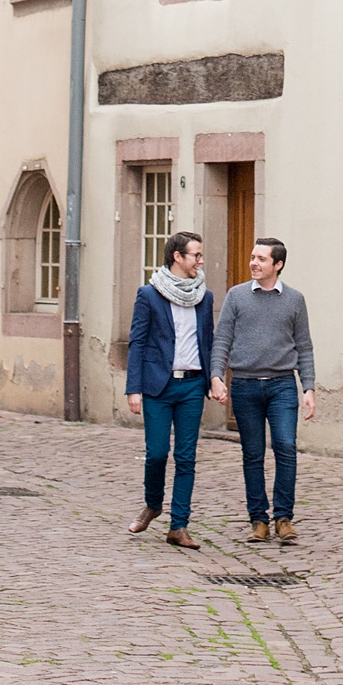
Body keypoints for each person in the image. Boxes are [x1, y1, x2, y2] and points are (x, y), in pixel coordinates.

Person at [208, 237, 314, 544]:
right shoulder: (237, 296)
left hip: (282, 385)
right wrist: (216, 376)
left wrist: (309, 387)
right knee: (252, 454)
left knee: (286, 447)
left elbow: (304, 346)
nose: (254, 262)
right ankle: (259, 520)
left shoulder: (294, 300)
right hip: (245, 385)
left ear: (277, 265)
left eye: (261, 259)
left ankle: (284, 518)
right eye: (253, 257)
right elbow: (222, 339)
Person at [126, 230, 214, 550]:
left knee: (186, 457)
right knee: (157, 453)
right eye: (196, 255)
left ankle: (179, 526)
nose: (201, 261)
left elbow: (209, 342)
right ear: (178, 257)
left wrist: (214, 377)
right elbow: (137, 343)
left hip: (192, 384)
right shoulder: (149, 295)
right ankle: (153, 503)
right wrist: (133, 388)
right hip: (157, 387)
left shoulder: (204, 297)